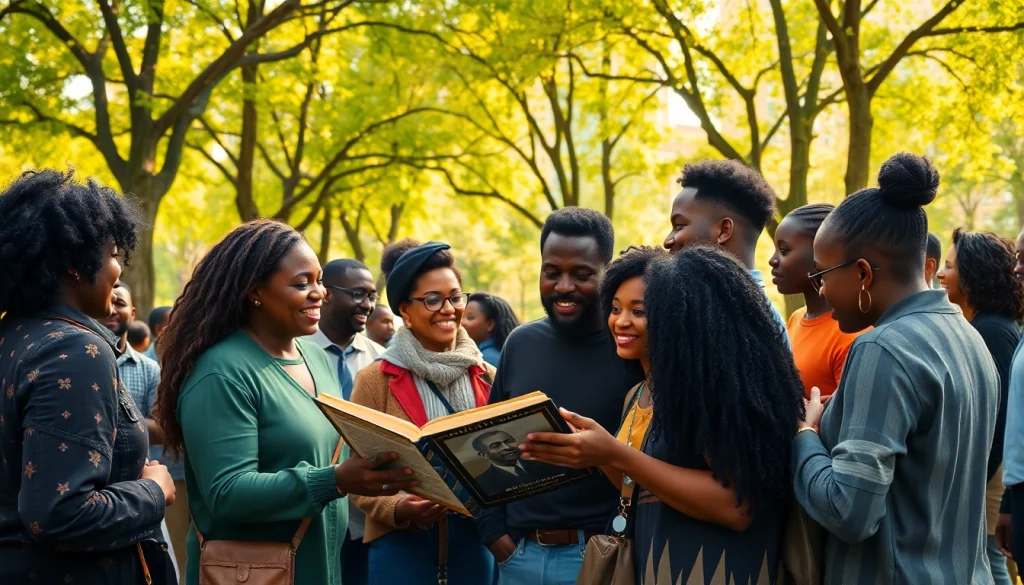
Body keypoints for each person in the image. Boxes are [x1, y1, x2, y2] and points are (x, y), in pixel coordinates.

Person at [153, 220, 418, 585]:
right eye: (301, 283)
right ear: (254, 291)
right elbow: (227, 493)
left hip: (322, 567)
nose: (318, 293)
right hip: (254, 572)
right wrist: (336, 481)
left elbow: (330, 457)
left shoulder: (315, 358)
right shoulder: (221, 371)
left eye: (319, 280)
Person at [524, 245, 803, 584]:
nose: (621, 321)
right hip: (652, 562)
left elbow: (737, 507)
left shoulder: (706, 391)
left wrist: (614, 452)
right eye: (614, 308)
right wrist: (590, 453)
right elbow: (639, 487)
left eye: (638, 311)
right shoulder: (637, 393)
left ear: (679, 316)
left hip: (714, 566)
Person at [794, 153, 999, 585]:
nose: (822, 289)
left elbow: (848, 510)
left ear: (863, 273)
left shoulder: (881, 348)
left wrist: (806, 436)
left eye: (824, 275)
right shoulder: (970, 339)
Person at [0, 169, 176, 584]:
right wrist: (154, 490)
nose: (118, 271)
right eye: (114, 253)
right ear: (75, 265)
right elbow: (61, 513)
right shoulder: (75, 350)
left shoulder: (13, 335)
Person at [477, 207, 644, 585]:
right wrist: (495, 538)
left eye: (582, 275)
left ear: (607, 274)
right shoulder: (519, 344)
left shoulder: (632, 350)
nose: (564, 286)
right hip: (517, 557)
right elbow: (480, 445)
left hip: (600, 556)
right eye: (552, 272)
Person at [350, 239, 496, 585]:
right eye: (432, 299)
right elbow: (355, 476)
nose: (448, 309)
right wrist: (398, 508)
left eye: (456, 297)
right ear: (405, 310)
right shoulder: (375, 380)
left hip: (476, 547)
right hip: (401, 550)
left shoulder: (489, 376)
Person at [937, 229, 1024, 585]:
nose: (941, 274)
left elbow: (1002, 418)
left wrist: (973, 479)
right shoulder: (979, 326)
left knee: (989, 559)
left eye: (949, 266)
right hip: (989, 473)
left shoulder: (993, 332)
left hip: (993, 477)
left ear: (972, 276)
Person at [306, 257, 386, 585]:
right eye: (357, 294)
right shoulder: (294, 354)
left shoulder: (382, 360)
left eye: (372, 296)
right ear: (325, 293)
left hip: (365, 519)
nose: (367, 304)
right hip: (310, 511)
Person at [103, 282, 187, 581]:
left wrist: (106, 423)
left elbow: (163, 429)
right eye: (108, 300)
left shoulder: (149, 369)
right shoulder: (79, 359)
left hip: (141, 485)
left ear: (132, 312)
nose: (114, 308)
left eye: (121, 302)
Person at [662, 159, 789, 344]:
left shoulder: (743, 320)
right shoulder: (696, 304)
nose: (667, 241)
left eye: (679, 226)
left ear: (723, 231)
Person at [769, 203, 863, 398]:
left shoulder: (849, 334)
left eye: (784, 250)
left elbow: (850, 411)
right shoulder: (796, 318)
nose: (773, 260)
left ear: (821, 253)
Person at [472, 430, 553, 496]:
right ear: (484, 455)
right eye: (495, 446)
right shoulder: (482, 483)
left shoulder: (544, 462)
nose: (507, 447)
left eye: (509, 441)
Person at [463, 292, 521, 367]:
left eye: (470, 318)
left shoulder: (486, 360)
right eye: (461, 317)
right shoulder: (508, 353)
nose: (461, 322)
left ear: (490, 324)